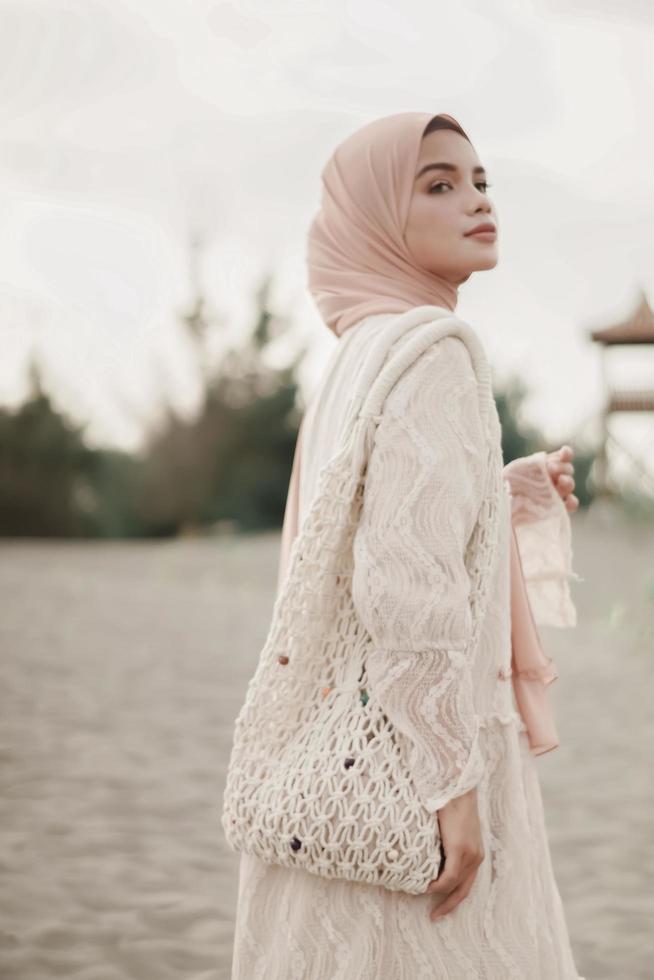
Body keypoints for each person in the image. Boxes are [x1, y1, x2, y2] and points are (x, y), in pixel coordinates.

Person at [230, 111, 584, 979]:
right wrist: (449, 786)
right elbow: (402, 583)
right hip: (412, 769)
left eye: (480, 180)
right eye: (438, 183)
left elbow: (374, 530)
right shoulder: (435, 353)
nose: (475, 199)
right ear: (379, 218)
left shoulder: (360, 353)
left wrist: (502, 487)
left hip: (334, 757)